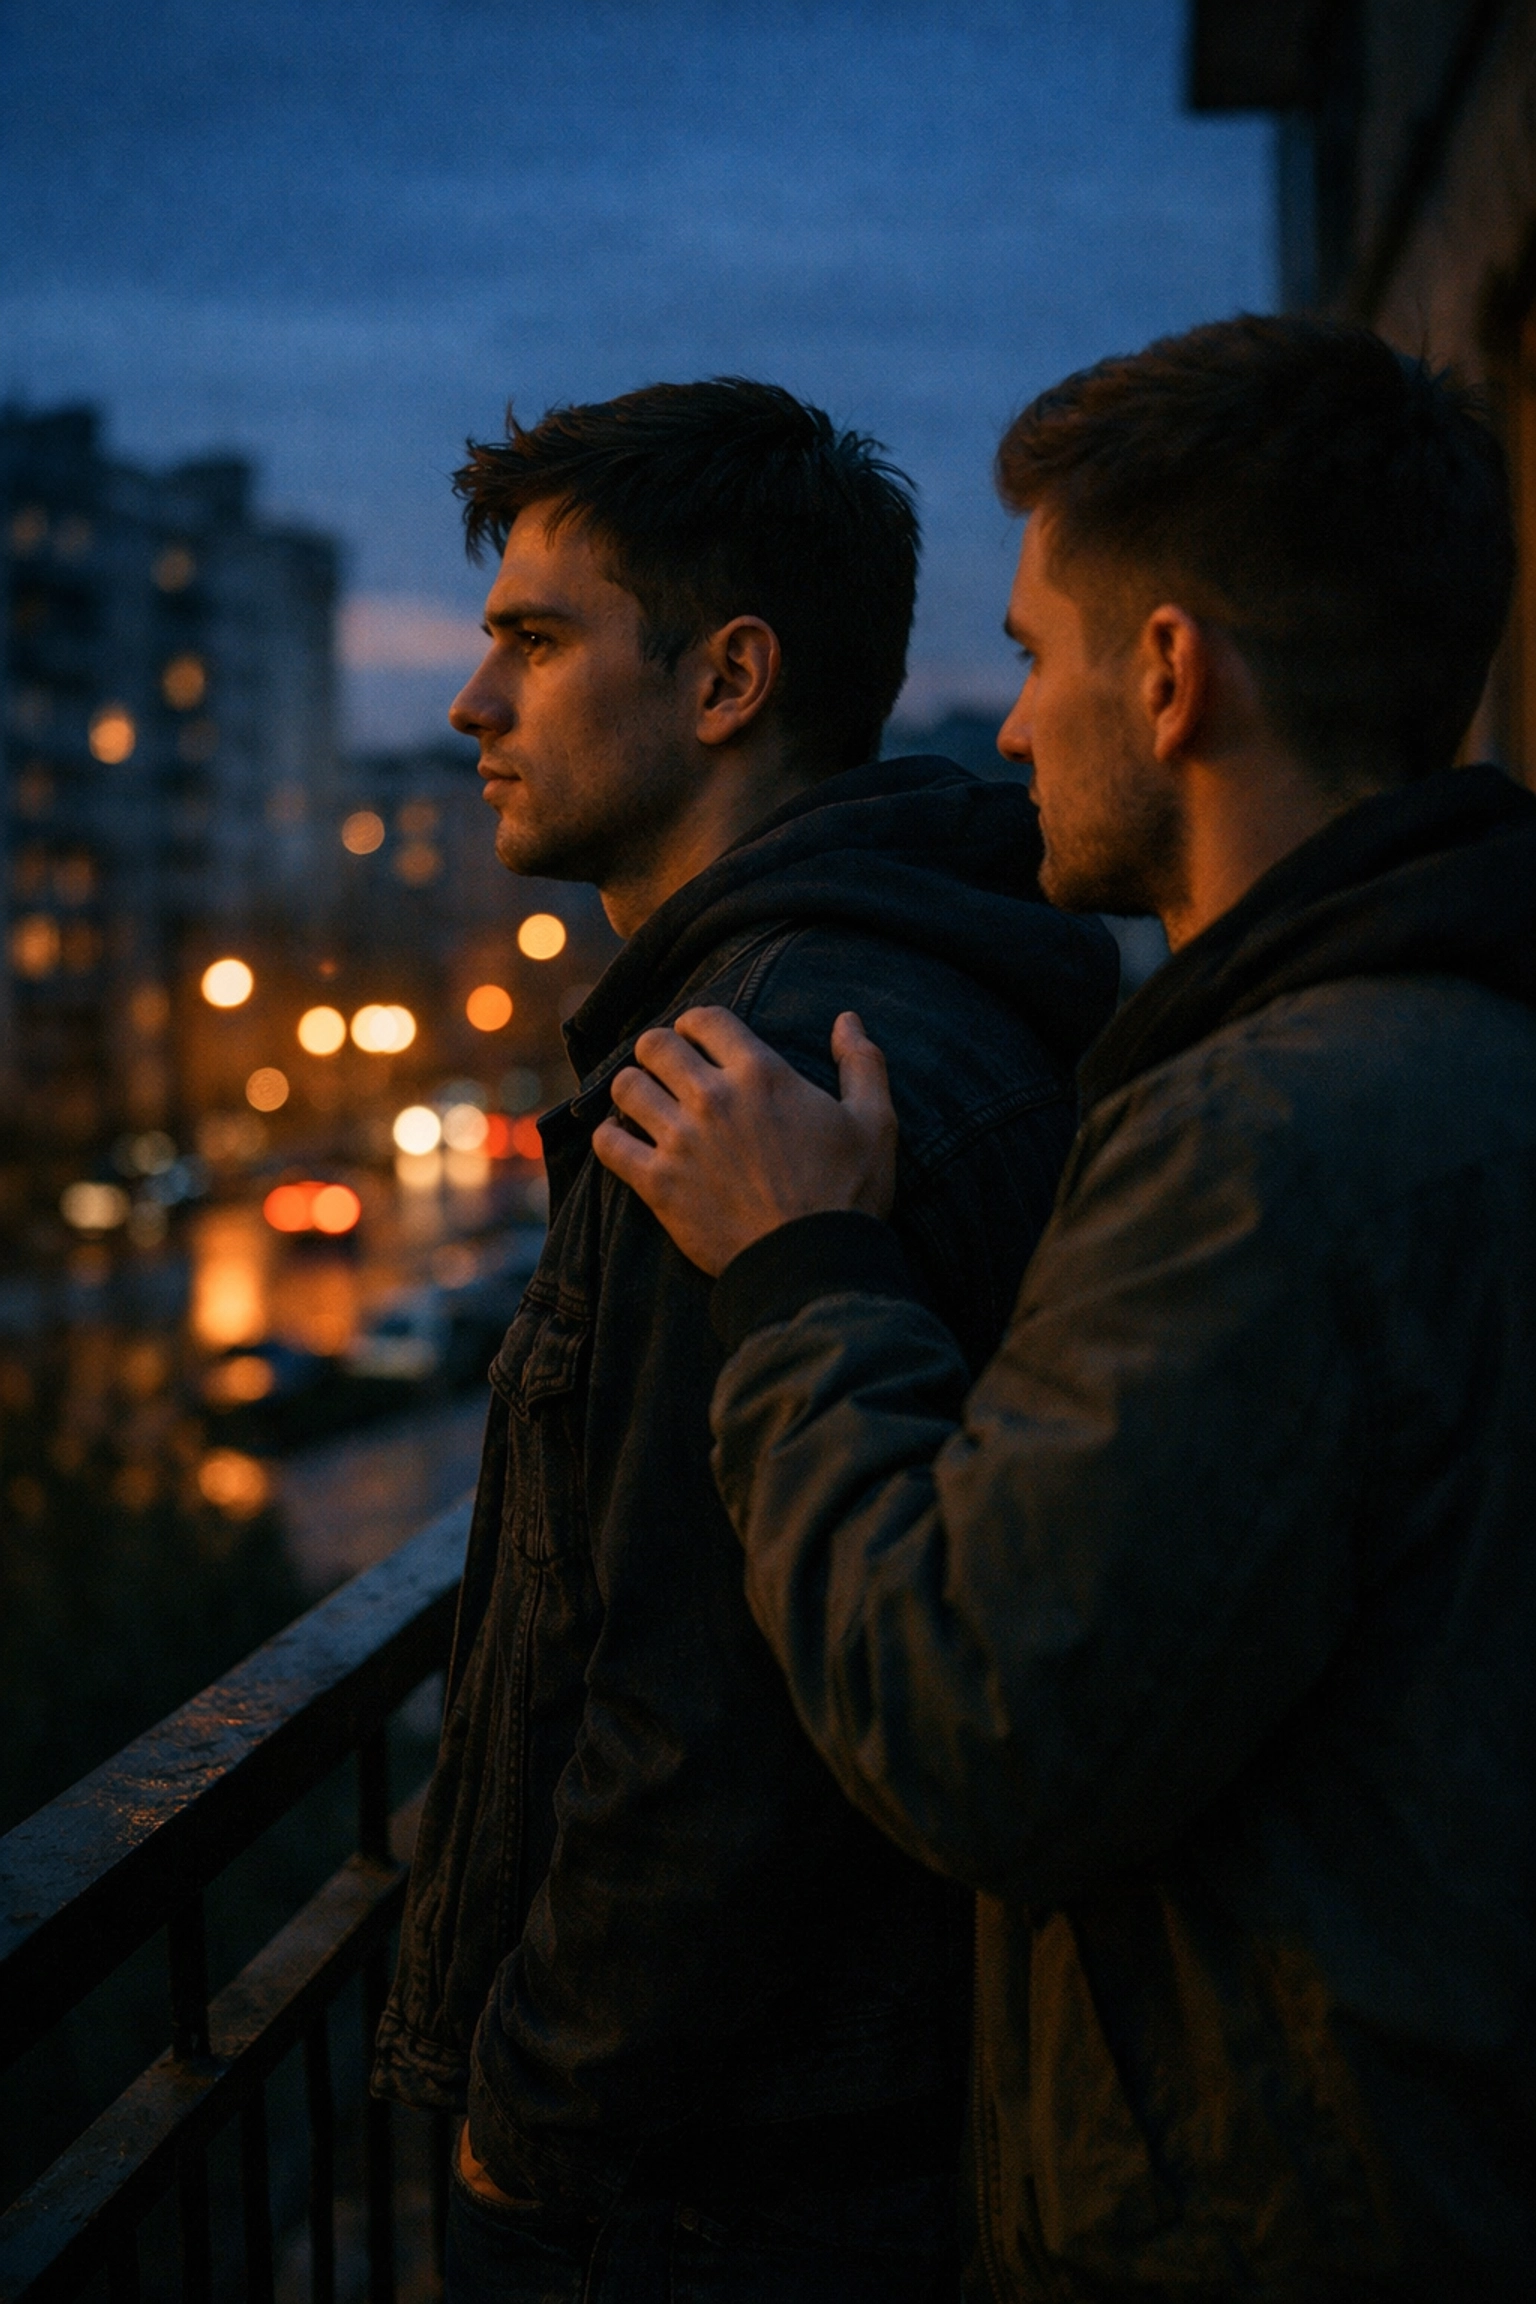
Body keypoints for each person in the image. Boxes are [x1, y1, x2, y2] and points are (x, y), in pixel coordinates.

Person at [593, 319, 1536, 2299]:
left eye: (1036, 658)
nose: (1007, 731)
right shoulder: (1456, 1049)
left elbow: (977, 1726)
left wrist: (802, 1271)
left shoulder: (1274, 1137)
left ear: (1174, 676)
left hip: (1300, 2218)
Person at [371, 377, 1120, 2300]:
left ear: (727, 683)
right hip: (871, 2131)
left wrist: (524, 2132)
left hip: (716, 2191)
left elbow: (700, 1727)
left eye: (533, 642)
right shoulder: (917, 997)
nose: (474, 708)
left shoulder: (740, 1080)